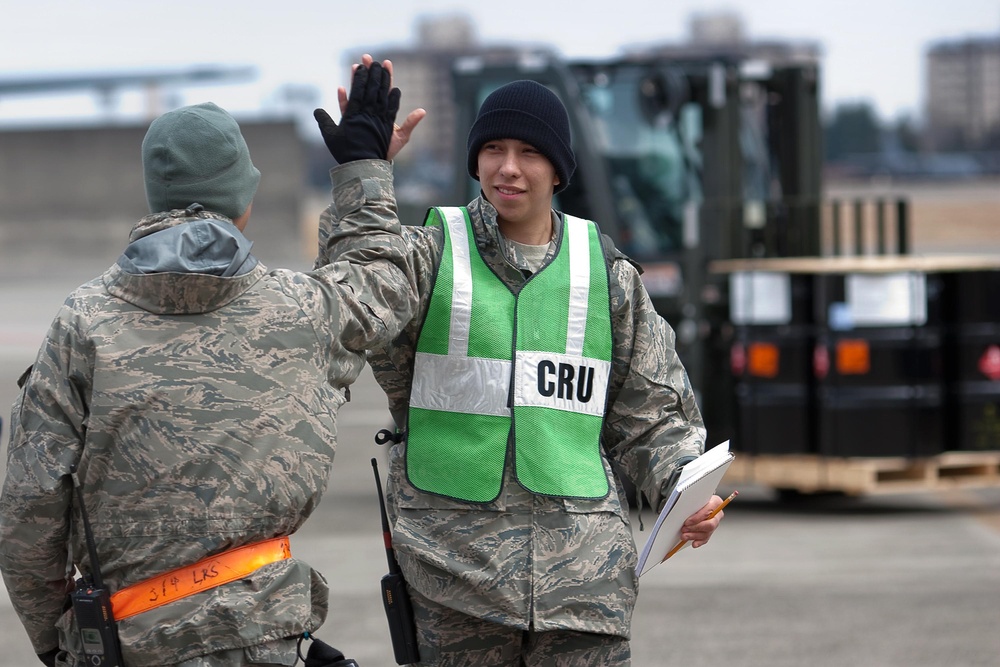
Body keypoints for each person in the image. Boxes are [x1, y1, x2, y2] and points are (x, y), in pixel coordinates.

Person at [0, 58, 417, 666]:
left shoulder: (83, 323)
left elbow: (29, 511)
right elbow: (383, 279)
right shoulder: (302, 310)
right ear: (243, 199)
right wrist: (363, 168)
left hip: (127, 641)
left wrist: (64, 645)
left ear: (156, 193)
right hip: (269, 641)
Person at [318, 74, 726, 665]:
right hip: (454, 581)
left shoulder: (606, 275)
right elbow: (349, 298)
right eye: (493, 150)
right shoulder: (431, 256)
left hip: (585, 590)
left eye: (529, 152)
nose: (508, 167)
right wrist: (363, 175)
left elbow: (654, 414)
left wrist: (685, 489)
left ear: (559, 170)